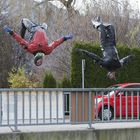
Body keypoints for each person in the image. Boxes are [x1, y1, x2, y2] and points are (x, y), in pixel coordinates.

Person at [4, 18, 73, 66]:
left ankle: (36, 26)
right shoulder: (47, 50)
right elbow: (56, 43)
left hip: (34, 29)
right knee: (44, 24)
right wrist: (64, 38)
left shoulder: (31, 48)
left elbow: (21, 40)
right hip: (42, 28)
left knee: (23, 20)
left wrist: (12, 33)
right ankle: (40, 25)